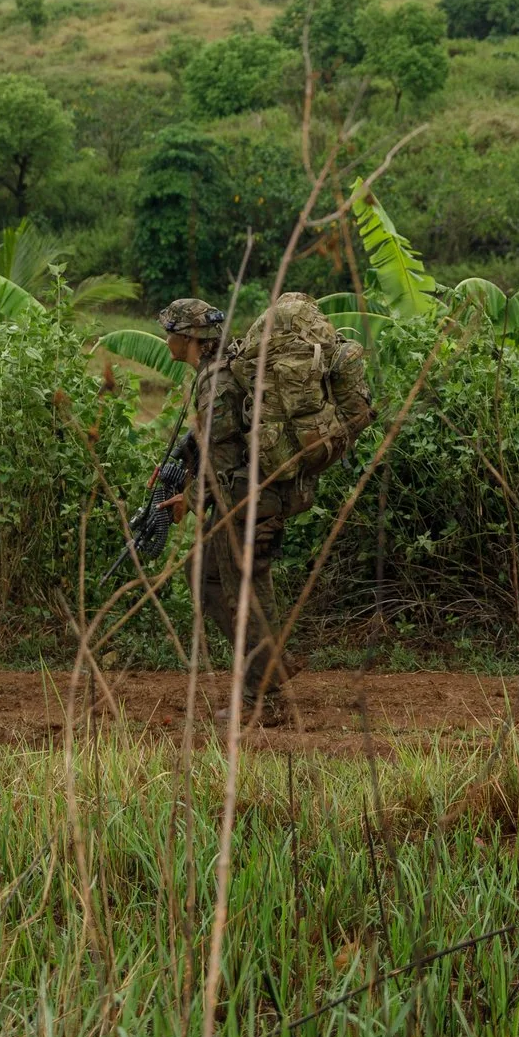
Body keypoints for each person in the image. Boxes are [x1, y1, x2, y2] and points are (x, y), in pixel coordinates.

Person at [162, 294, 373, 729]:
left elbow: (221, 455)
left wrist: (197, 497)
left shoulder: (216, 381)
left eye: (170, 331)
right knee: (212, 578)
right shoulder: (225, 370)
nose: (166, 339)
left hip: (244, 501)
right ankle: (269, 670)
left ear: (186, 337)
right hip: (253, 496)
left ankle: (263, 698)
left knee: (244, 593)